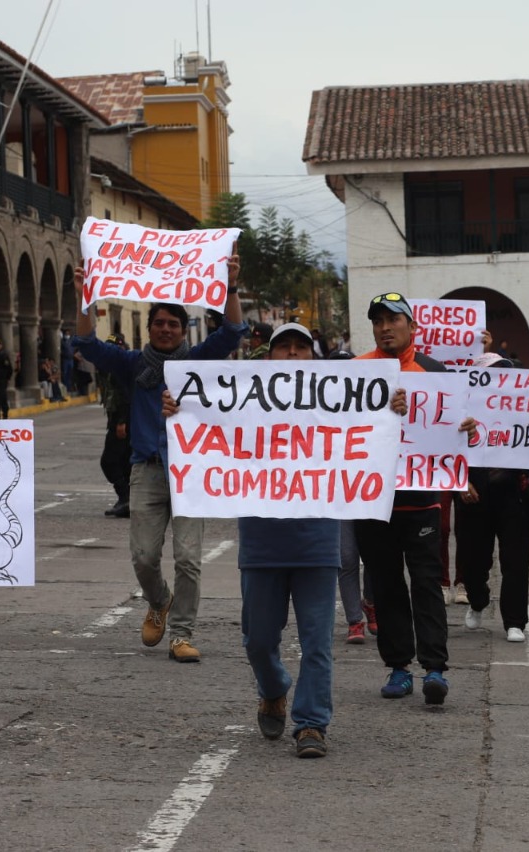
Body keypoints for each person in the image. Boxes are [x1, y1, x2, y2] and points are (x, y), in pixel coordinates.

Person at [167, 322, 338, 758]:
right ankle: (274, 687)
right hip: (262, 542)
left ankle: (312, 723)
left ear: (313, 357)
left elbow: (377, 427)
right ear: (269, 358)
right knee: (258, 640)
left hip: (318, 540)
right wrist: (179, 408)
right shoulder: (246, 403)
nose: (294, 355)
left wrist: (393, 408)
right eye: (285, 348)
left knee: (317, 642)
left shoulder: (338, 403)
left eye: (303, 347)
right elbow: (206, 422)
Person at [71, 258, 246, 662]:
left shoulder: (198, 360)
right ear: (149, 328)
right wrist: (84, 295)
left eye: (174, 324)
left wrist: (231, 286)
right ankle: (159, 600)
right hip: (146, 470)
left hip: (189, 473)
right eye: (159, 323)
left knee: (188, 558)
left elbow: (234, 331)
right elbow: (86, 345)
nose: (166, 329)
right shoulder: (133, 364)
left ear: (184, 331)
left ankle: (182, 634)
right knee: (144, 557)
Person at [354, 293, 453, 704]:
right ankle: (398, 667)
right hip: (373, 501)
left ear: (413, 327)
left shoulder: (434, 371)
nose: (385, 327)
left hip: (422, 501)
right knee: (386, 585)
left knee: (427, 585)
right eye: (378, 320)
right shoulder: (356, 371)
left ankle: (434, 669)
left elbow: (453, 427)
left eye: (394, 319)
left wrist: (461, 422)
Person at [457, 356, 529, 643]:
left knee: (516, 561)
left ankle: (515, 621)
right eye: (493, 375)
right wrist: (460, 483)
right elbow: (445, 449)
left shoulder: (525, 409)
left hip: (513, 493)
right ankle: (478, 601)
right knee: (473, 558)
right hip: (474, 494)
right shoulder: (461, 411)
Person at [96, 337, 132, 518]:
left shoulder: (121, 367)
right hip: (119, 420)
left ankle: (126, 498)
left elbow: (127, 394)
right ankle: (127, 500)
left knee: (109, 461)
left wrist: (122, 422)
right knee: (124, 461)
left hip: (123, 421)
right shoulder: (109, 366)